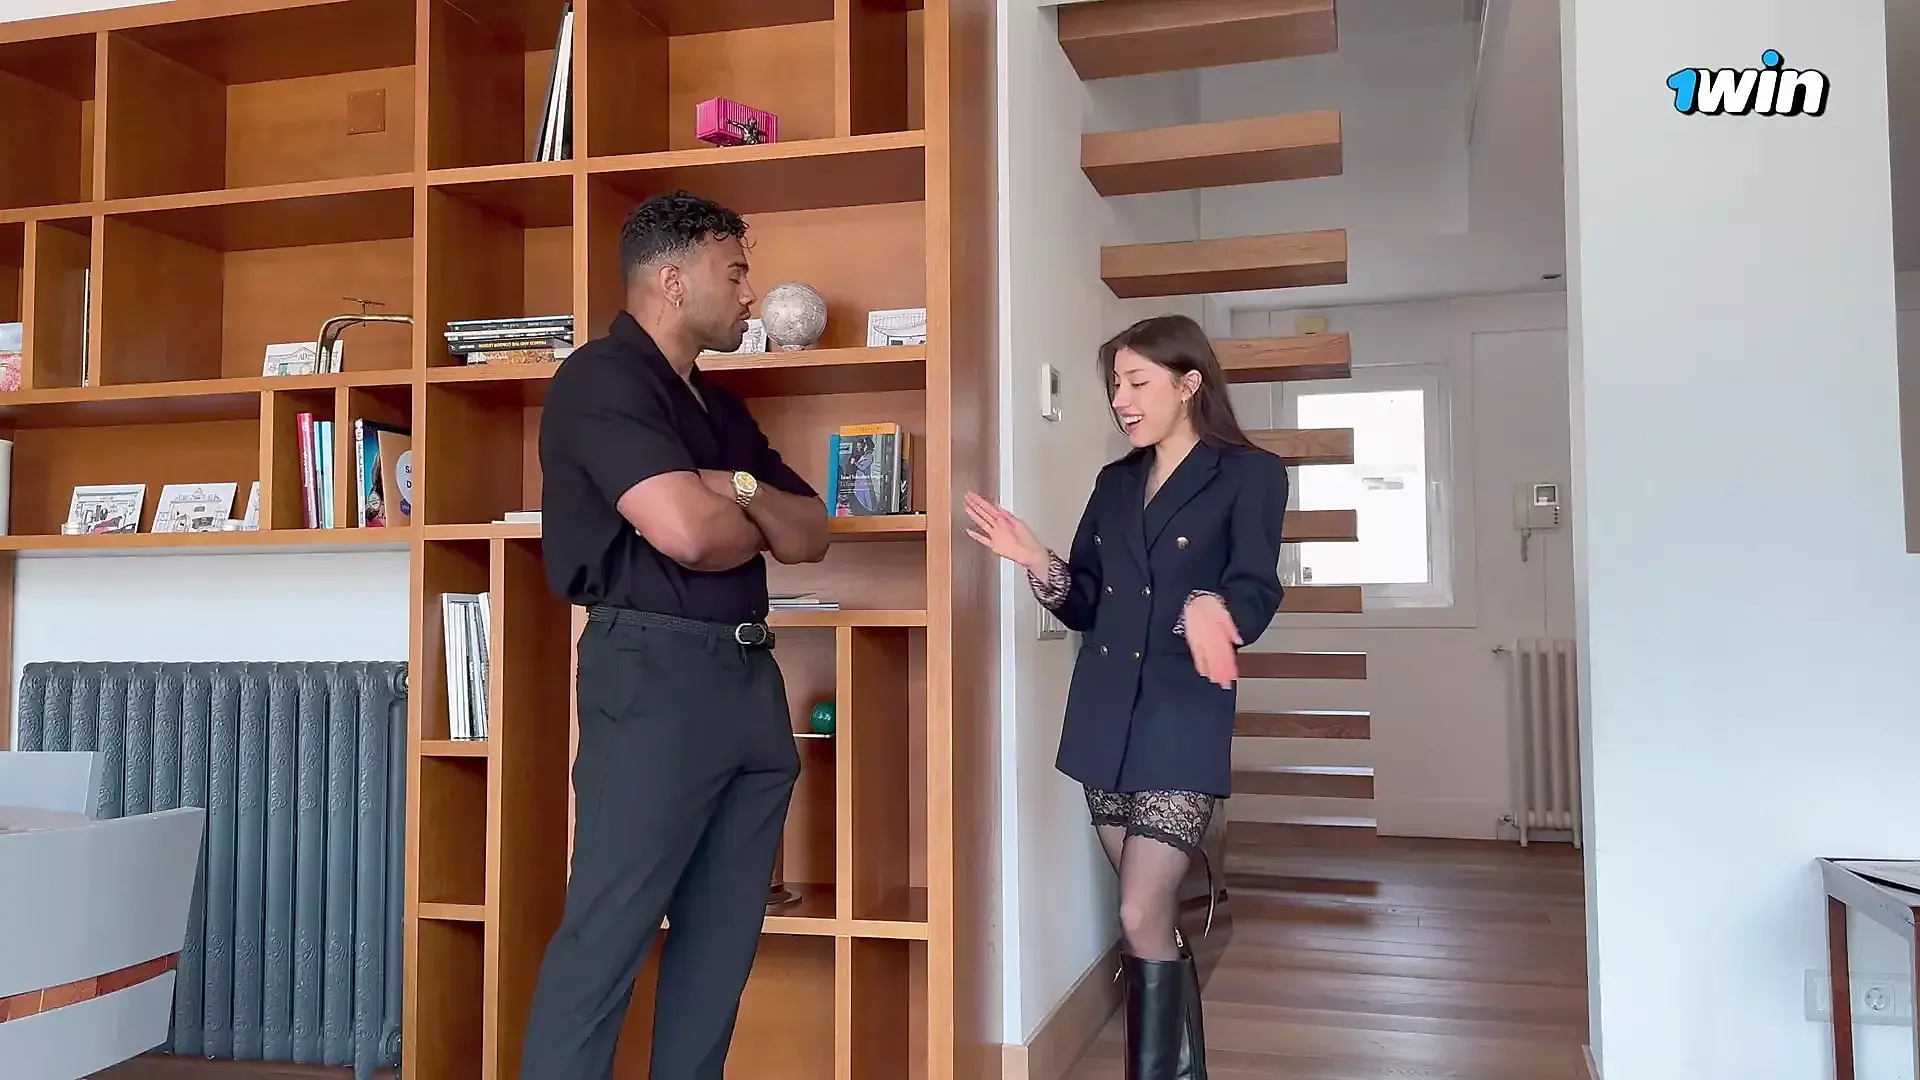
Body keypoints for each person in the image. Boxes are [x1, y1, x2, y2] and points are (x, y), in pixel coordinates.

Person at [523, 189, 831, 1079]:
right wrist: (735, 509)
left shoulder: (718, 407)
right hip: (651, 674)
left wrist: (734, 486)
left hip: (747, 680)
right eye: (735, 272)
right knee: (607, 935)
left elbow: (811, 532)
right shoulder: (601, 380)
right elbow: (688, 535)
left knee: (720, 946)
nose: (749, 294)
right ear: (671, 278)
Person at [964, 314, 1289, 1080]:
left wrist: (1214, 608)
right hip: (1105, 719)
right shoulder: (1115, 483)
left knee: (1141, 912)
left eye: (1137, 382)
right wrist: (1034, 558)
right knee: (1152, 921)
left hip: (1182, 714)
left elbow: (1256, 587)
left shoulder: (1250, 473)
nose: (1121, 399)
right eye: (1115, 384)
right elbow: (1084, 601)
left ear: (1189, 383)